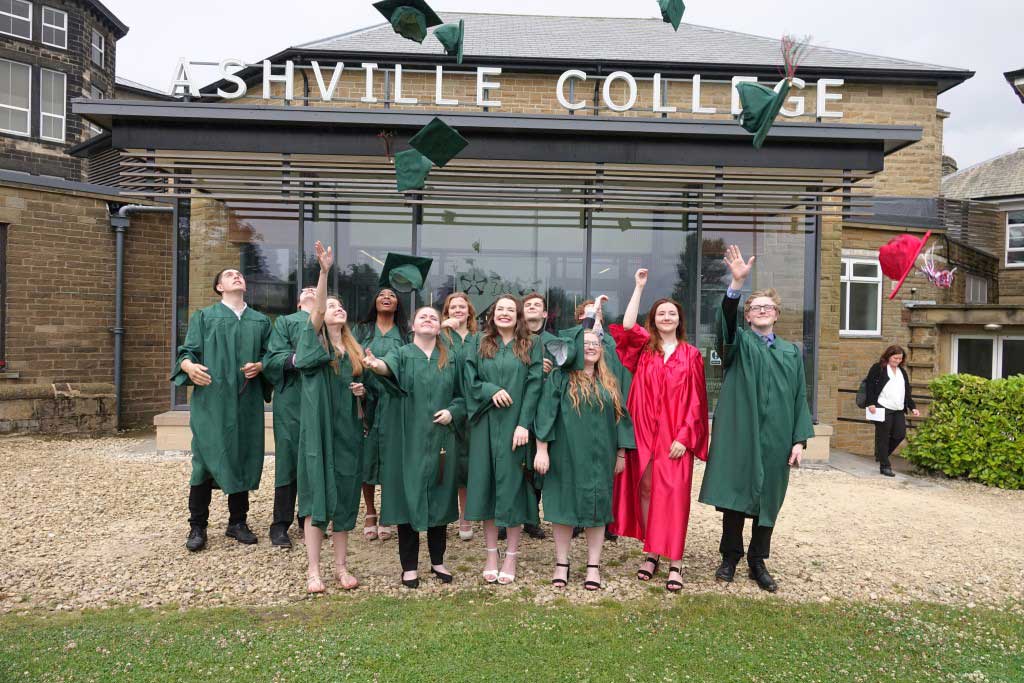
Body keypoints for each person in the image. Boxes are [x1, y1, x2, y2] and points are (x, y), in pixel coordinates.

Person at [698, 245, 815, 593]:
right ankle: (730, 556)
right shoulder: (739, 344)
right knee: (736, 493)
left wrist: (799, 439)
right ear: (747, 316)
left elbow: (799, 397)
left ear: (776, 314)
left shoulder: (791, 352)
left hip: (778, 436)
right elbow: (724, 332)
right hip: (742, 433)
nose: (761, 311)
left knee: (770, 497)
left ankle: (757, 560)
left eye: (768, 307)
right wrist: (736, 287)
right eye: (755, 307)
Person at [607, 269, 708, 592]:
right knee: (647, 491)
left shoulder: (691, 355)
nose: (666, 317)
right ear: (654, 319)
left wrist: (685, 437)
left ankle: (675, 560)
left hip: (675, 437)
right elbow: (625, 327)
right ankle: (652, 551)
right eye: (661, 313)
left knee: (675, 496)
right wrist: (638, 287)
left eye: (672, 313)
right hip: (644, 432)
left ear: (680, 320)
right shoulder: (644, 350)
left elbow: (697, 400)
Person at [364, 306, 465, 588]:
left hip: (441, 439)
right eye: (423, 317)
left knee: (440, 496)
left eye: (434, 317)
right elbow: (387, 367)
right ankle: (409, 567)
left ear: (439, 326)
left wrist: (453, 412)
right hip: (408, 439)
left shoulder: (451, 358)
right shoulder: (403, 353)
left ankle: (437, 561)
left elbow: (462, 395)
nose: (429, 320)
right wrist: (375, 365)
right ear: (412, 325)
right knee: (408, 497)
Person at [173, 268, 272, 552]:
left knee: (241, 453)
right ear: (219, 287)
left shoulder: (261, 321)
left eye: (240, 274)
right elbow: (187, 353)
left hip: (246, 401)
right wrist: (190, 367)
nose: (237, 276)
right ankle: (197, 526)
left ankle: (237, 522)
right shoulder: (204, 317)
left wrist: (262, 365)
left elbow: (272, 355)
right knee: (204, 459)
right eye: (229, 275)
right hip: (212, 401)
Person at [533, 328, 635, 590]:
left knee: (597, 509)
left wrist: (621, 452)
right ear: (575, 348)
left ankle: (593, 566)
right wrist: (541, 449)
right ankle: (561, 563)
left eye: (595, 343)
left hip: (599, 457)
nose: (591, 347)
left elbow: (621, 416)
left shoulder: (608, 381)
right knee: (563, 508)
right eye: (585, 343)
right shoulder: (560, 378)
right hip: (564, 454)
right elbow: (546, 413)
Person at [295, 242, 369, 593]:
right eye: (331, 307)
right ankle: (313, 570)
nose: (336, 310)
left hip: (347, 431)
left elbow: (365, 395)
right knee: (316, 496)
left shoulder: (354, 350)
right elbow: (318, 308)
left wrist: (361, 394)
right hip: (319, 430)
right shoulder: (315, 340)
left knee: (342, 496)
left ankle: (341, 566)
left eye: (341, 307)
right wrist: (324, 273)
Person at [464, 295, 543, 585]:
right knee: (487, 486)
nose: (505, 314)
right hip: (486, 422)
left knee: (512, 488)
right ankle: (490, 554)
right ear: (493, 314)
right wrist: (489, 389)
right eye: (501, 310)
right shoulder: (479, 342)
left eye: (511, 310)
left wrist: (524, 424)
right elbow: (469, 377)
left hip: (514, 425)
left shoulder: (531, 343)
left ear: (518, 315)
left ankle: (511, 554)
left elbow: (535, 385)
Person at [262, 286, 317, 549]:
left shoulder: (329, 320)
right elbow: (273, 358)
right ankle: (280, 524)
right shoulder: (285, 323)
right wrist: (301, 359)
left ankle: (309, 518)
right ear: (298, 303)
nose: (310, 289)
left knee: (315, 457)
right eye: (305, 290)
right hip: (292, 399)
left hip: (320, 398)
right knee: (288, 458)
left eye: (316, 288)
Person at [355, 286, 410, 542]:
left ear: (398, 305)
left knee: (392, 455)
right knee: (366, 455)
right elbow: (350, 361)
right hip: (366, 399)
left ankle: (389, 511)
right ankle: (370, 511)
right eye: (381, 295)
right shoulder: (362, 330)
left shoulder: (406, 334)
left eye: (392, 296)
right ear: (374, 302)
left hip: (394, 400)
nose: (386, 298)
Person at [439, 292, 479, 541]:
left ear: (469, 311)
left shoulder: (479, 338)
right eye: (452, 307)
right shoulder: (440, 336)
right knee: (445, 463)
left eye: (461, 307)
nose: (457, 310)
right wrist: (442, 328)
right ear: (446, 312)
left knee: (467, 464)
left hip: (474, 406)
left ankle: (465, 516)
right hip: (447, 403)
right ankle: (442, 516)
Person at [519, 291, 558, 541]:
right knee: (518, 463)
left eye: (537, 305)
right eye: (528, 305)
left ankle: (533, 518)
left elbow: (568, 371)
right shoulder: (515, 339)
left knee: (540, 465)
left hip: (547, 410)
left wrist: (552, 368)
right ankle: (513, 516)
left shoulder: (555, 341)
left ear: (544, 314)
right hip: (520, 407)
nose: (532, 308)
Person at [864, 345, 920, 477]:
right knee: (883, 437)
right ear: (888, 356)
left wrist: (913, 407)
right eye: (895, 358)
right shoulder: (878, 368)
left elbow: (906, 391)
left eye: (900, 358)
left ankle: (881, 454)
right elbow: (870, 386)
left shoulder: (902, 372)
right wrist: (871, 403)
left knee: (899, 434)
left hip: (898, 408)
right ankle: (885, 465)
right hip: (882, 406)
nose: (897, 360)